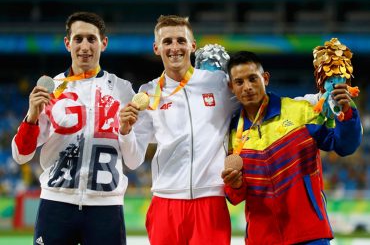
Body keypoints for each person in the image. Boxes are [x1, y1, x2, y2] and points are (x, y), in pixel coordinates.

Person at [11, 11, 135, 245]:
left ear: (103, 43)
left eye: (92, 39)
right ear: (68, 43)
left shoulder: (123, 90)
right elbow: (20, 155)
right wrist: (32, 116)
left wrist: (127, 131)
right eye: (78, 39)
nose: (85, 46)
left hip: (106, 206)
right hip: (56, 204)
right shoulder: (51, 90)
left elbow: (133, 158)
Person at [222, 51, 362, 245]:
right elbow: (235, 197)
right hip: (262, 239)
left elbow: (344, 146)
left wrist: (347, 113)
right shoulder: (230, 135)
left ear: (265, 78)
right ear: (231, 87)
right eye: (239, 82)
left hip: (310, 234)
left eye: (253, 78)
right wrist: (235, 184)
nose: (247, 87)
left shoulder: (301, 112)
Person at [119, 15, 237, 244]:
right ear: (156, 48)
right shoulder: (148, 93)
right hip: (165, 203)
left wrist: (316, 101)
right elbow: (133, 160)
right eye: (167, 42)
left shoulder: (219, 84)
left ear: (193, 45)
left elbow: (259, 104)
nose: (175, 48)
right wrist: (125, 131)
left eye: (181, 41)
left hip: (210, 200)